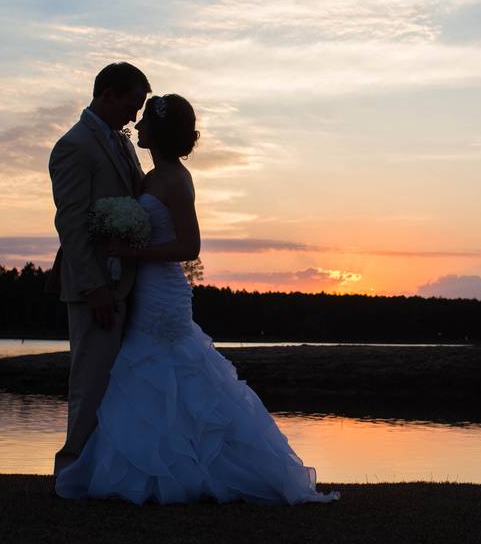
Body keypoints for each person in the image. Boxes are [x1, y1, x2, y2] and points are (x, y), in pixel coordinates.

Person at [54, 93, 339, 505]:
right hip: (142, 288)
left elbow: (190, 246)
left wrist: (135, 252)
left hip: (163, 290)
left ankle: (194, 470)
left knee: (172, 369)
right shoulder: (149, 177)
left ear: (160, 132)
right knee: (143, 375)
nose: (137, 127)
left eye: (145, 121)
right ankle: (150, 469)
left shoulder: (175, 180)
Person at [48, 62, 151, 476]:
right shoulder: (73, 146)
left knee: (122, 383)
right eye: (132, 104)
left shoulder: (122, 143)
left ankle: (109, 470)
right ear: (107, 93)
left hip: (129, 281)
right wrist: (94, 287)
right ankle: (70, 473)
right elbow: (70, 223)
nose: (135, 116)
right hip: (95, 287)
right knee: (90, 383)